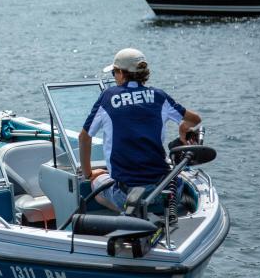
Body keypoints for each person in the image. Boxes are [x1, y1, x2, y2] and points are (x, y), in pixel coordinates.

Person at [78, 48, 201, 214]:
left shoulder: (108, 96)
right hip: (166, 192)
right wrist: (182, 128)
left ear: (121, 73)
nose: (114, 77)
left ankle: (132, 215)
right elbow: (195, 119)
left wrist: (88, 173)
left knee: (97, 187)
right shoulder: (159, 96)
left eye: (114, 72)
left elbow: (84, 137)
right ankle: (149, 213)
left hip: (128, 197)